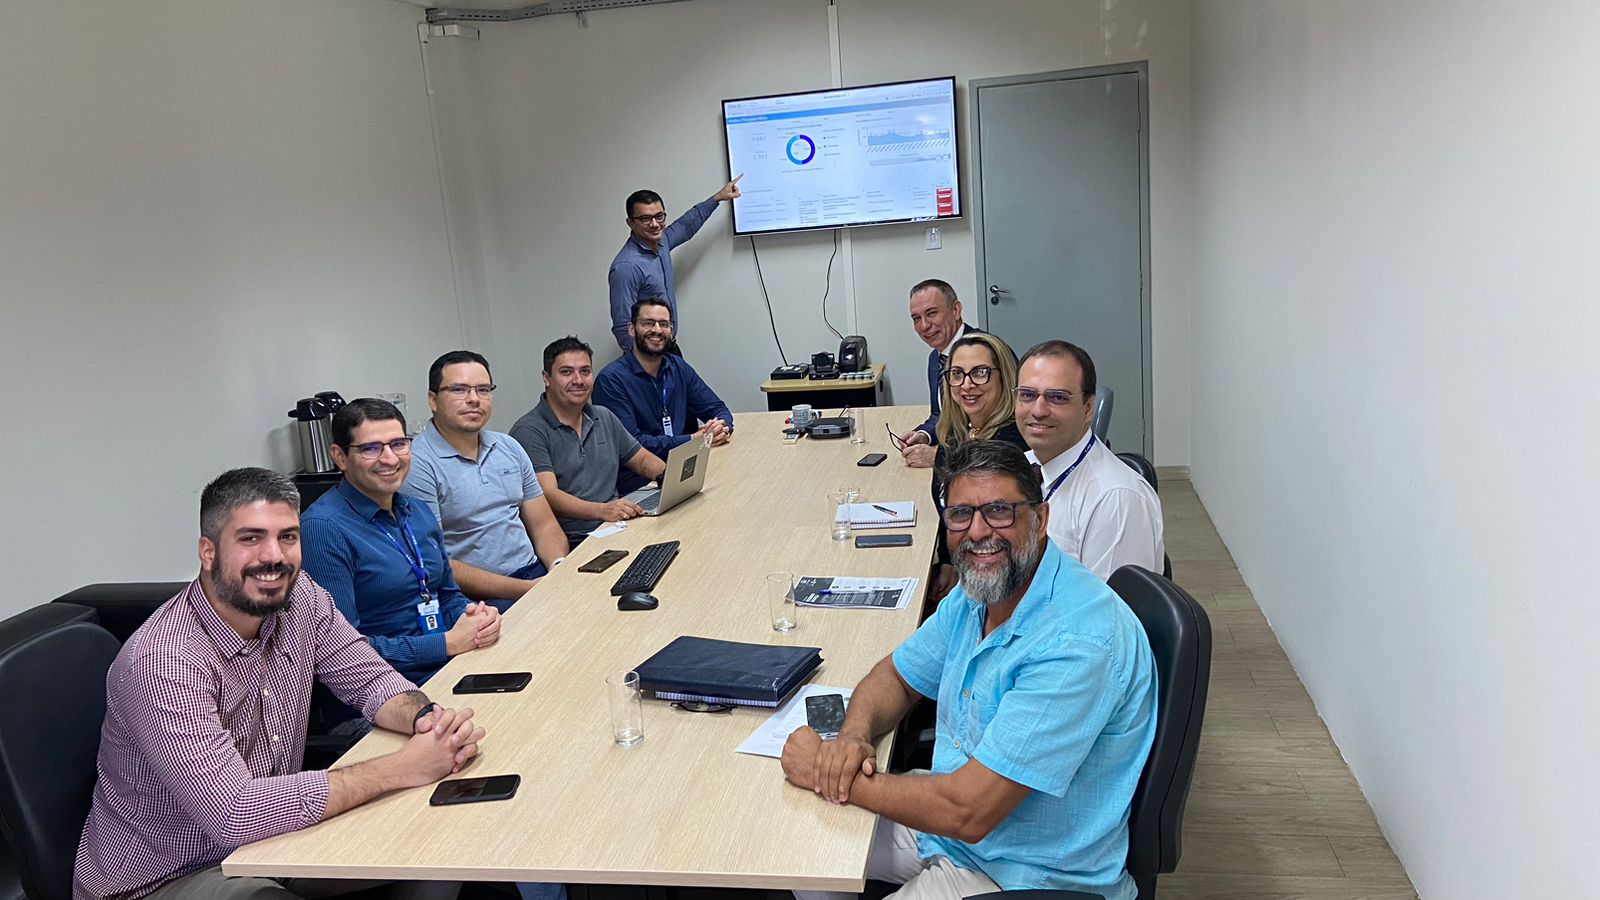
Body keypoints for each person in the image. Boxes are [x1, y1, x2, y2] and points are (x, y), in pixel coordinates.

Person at [74, 467, 483, 900]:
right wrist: (403, 767)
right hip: (170, 875)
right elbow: (232, 812)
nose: (274, 557)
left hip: (276, 841)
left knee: (450, 832)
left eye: (287, 537)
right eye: (250, 538)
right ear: (208, 551)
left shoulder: (299, 595)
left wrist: (430, 724)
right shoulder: (163, 663)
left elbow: (369, 678)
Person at [780, 441, 1157, 900]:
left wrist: (826, 771)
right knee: (799, 853)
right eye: (961, 514)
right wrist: (853, 737)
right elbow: (895, 677)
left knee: (823, 807)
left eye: (999, 511)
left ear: (1039, 520)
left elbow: (968, 811)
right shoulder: (980, 591)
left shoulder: (1078, 643)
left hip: (1023, 872)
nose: (978, 532)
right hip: (953, 830)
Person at [301, 398, 500, 686]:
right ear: (340, 456)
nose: (390, 459)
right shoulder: (322, 529)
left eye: (398, 444)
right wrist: (445, 644)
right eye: (371, 448)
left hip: (452, 665)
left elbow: (446, 594)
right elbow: (340, 651)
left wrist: (475, 618)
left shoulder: (416, 510)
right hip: (384, 691)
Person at [404, 350, 571, 612]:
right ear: (433, 400)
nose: (474, 399)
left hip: (536, 572)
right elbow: (439, 562)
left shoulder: (508, 446)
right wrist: (527, 590)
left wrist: (557, 567)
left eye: (483, 389)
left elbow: (544, 525)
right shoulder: (417, 463)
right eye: (459, 390)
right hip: (479, 597)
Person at [1014, 340, 1165, 579]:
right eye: (1027, 395)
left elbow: (1109, 613)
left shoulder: (1116, 499)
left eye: (1058, 397)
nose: (1038, 410)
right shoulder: (1024, 467)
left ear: (1088, 408)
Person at [510, 336, 668, 546]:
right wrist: (602, 511)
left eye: (585, 371)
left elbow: (641, 460)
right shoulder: (529, 431)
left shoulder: (603, 416)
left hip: (618, 524)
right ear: (546, 378)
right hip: (577, 540)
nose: (578, 380)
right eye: (566, 372)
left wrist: (669, 477)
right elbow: (548, 495)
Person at [922, 332, 1029, 597]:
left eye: (980, 372)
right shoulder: (956, 434)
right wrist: (947, 561)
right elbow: (951, 510)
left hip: (1001, 583)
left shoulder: (1011, 443)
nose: (967, 385)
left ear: (1004, 376)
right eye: (957, 374)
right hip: (968, 567)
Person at [593, 297, 734, 496]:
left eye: (664, 324)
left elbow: (718, 408)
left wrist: (721, 427)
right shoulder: (611, 380)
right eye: (648, 323)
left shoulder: (677, 367)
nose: (657, 330)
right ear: (632, 329)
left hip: (686, 470)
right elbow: (633, 444)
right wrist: (692, 439)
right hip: (642, 483)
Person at [607, 179, 742, 352]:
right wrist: (645, 362)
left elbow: (686, 225)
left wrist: (718, 198)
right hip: (648, 354)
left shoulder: (662, 241)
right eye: (645, 219)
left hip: (668, 346)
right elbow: (622, 325)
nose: (655, 224)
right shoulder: (626, 266)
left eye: (659, 216)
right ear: (630, 222)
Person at [896, 279, 985, 468]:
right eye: (916, 319)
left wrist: (941, 456)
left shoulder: (985, 353)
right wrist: (924, 435)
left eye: (931, 313)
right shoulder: (935, 358)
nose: (924, 326)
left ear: (956, 310)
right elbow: (940, 415)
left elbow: (1001, 431)